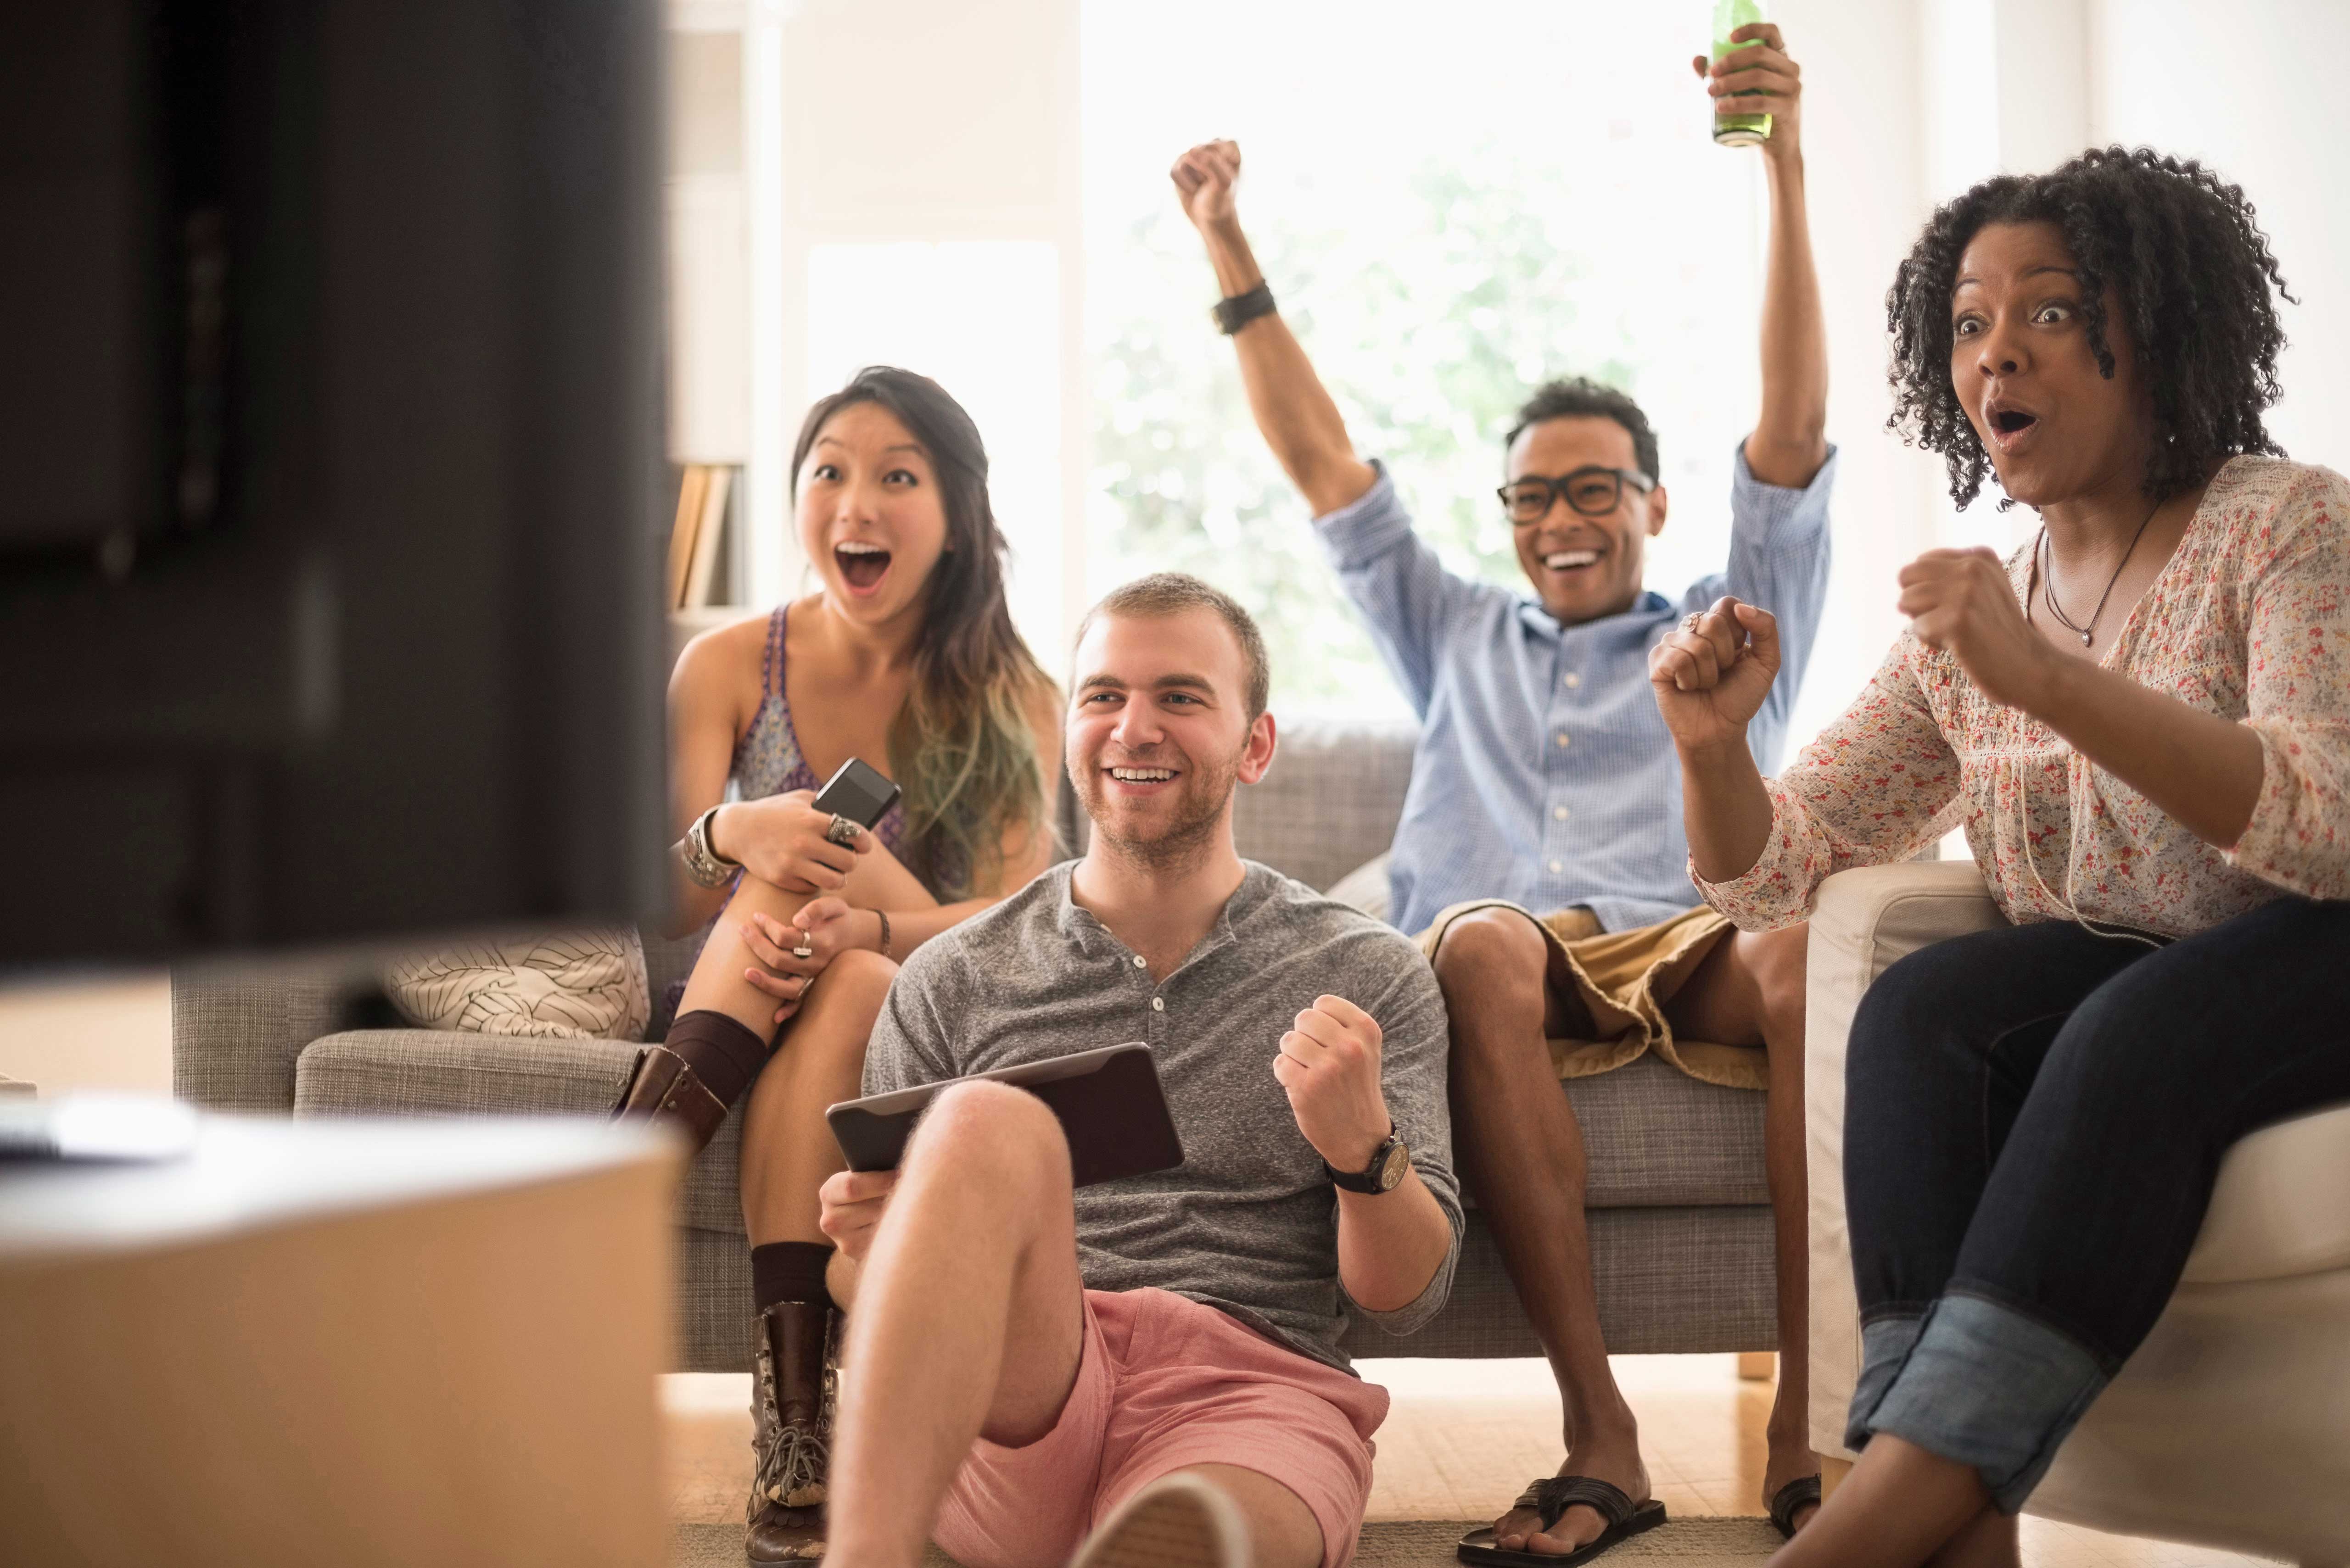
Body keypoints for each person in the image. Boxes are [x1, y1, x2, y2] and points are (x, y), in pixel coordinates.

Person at [1171, 22, 1833, 1550]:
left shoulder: (1738, 628)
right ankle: (1601, 1432)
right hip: (1513, 952)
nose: (1561, 519)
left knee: (1806, 950)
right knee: (1472, 938)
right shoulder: (1456, 628)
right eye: (1532, 494)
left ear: (1655, 502)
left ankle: (1807, 1417)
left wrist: (1784, 167)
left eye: (1594, 486)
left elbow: (1791, 432)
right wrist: (1227, 245)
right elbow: (1323, 460)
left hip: (1689, 931)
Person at [1653, 147, 2350, 1568]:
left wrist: (2043, 679)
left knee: (2136, 1021)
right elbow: (1773, 878)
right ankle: (1962, 1538)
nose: (1996, 354)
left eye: (2045, 308)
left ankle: (1873, 1522)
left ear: (2150, 327)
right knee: (1924, 1009)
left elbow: (2324, 822)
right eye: (1968, 325)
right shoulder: (1980, 617)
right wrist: (1710, 746)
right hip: (2149, 969)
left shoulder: (2284, 524)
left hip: (2322, 943)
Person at [810, 573, 1462, 1568]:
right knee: (989, 1119)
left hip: (1252, 1393)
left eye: (1181, 697)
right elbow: (858, 1283)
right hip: (1023, 1379)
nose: (1134, 727)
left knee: (1202, 1530)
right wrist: (876, 1247)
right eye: (1104, 695)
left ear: (1256, 745)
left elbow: (1404, 1298)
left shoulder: (1367, 972)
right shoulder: (953, 975)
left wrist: (1361, 1148)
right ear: (1068, 731)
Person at [619, 366, 1062, 1562]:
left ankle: (625, 1171)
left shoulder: (1017, 693)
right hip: (753, 984)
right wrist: (731, 833)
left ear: (956, 515)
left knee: (833, 880)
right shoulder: (725, 665)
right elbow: (655, 898)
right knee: (792, 856)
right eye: (830, 473)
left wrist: (859, 920)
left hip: (932, 1001)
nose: (855, 504)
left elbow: (1022, 924)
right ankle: (798, 1421)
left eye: (897, 477)